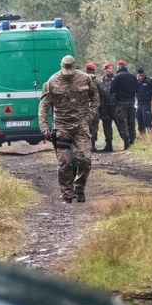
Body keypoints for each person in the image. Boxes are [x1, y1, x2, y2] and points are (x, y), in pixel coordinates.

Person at [38, 55, 99, 203]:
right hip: (62, 126)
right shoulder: (52, 81)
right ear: (61, 66)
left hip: (80, 125)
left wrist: (88, 116)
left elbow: (95, 99)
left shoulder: (85, 79)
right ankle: (67, 193)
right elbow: (44, 104)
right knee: (65, 162)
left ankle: (79, 187)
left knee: (85, 159)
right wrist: (43, 125)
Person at [109, 59, 138, 149]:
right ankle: (132, 140)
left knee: (122, 122)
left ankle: (126, 142)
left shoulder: (117, 77)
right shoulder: (133, 76)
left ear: (118, 67)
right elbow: (137, 89)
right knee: (131, 121)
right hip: (131, 102)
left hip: (121, 103)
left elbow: (112, 90)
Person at [85, 62, 110, 152]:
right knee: (94, 125)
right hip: (94, 106)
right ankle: (92, 145)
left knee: (84, 126)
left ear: (86, 69)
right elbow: (104, 92)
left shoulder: (81, 79)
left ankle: (84, 145)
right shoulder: (97, 80)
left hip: (83, 107)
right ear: (94, 70)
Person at [98, 62, 117, 152]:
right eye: (106, 69)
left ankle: (127, 143)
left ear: (112, 68)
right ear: (103, 70)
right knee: (106, 126)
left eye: (109, 68)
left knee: (120, 125)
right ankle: (109, 145)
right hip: (105, 107)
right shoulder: (101, 80)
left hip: (115, 106)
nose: (107, 70)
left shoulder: (116, 78)